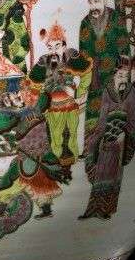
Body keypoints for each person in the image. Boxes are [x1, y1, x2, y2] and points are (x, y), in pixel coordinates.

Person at [78, 56, 135, 220]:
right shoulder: (108, 90)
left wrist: (127, 137)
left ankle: (106, 210)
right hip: (106, 138)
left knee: (114, 177)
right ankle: (93, 210)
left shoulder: (132, 93)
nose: (123, 78)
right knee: (101, 173)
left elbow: (134, 121)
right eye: (120, 75)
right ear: (114, 73)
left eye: (126, 76)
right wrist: (97, 139)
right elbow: (102, 118)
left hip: (121, 141)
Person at [28, 21, 92, 166]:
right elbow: (33, 84)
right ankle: (56, 161)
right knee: (56, 135)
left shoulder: (71, 57)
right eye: (50, 47)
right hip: (52, 107)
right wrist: (40, 102)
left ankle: (73, 158)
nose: (54, 51)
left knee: (72, 133)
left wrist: (78, 94)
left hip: (71, 104)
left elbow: (87, 74)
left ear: (64, 46)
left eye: (57, 46)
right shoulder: (44, 62)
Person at [79, 0, 130, 134]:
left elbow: (124, 49)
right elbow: (83, 54)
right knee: (94, 117)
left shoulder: (116, 19)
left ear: (105, 0)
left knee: (115, 114)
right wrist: (87, 77)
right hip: (95, 78)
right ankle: (91, 140)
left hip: (114, 75)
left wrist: (124, 74)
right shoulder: (85, 23)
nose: (93, 6)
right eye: (90, 2)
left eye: (96, 0)